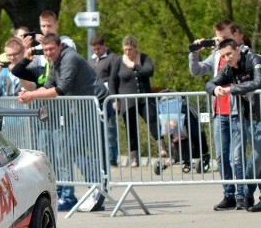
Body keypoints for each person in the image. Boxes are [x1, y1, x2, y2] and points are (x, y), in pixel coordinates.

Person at [18, 34, 109, 212]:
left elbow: (61, 89)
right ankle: (96, 186)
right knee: (75, 148)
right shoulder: (55, 62)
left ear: (60, 46)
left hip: (97, 105)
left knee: (94, 148)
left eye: (51, 48)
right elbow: (50, 83)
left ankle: (99, 187)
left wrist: (33, 96)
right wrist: (27, 96)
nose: (49, 52)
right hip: (84, 108)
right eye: (45, 50)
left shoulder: (69, 58)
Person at [205, 39, 261, 213]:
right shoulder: (228, 67)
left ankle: (246, 192)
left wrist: (232, 88)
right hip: (249, 117)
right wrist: (214, 89)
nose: (227, 58)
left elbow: (257, 83)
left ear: (238, 49)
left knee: (255, 157)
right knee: (259, 158)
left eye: (230, 54)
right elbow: (210, 83)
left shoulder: (254, 60)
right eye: (224, 56)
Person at [189, 20, 247, 210]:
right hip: (219, 111)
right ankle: (228, 194)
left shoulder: (243, 52)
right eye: (218, 36)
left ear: (235, 35)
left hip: (238, 111)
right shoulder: (215, 55)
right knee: (222, 157)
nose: (220, 40)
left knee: (236, 156)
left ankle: (242, 194)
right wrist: (194, 53)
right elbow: (196, 71)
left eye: (224, 36)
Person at [109, 35, 162, 167]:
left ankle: (161, 146)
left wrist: (134, 66)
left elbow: (149, 71)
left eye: (130, 49)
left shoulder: (143, 58)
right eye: (126, 49)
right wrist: (114, 99)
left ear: (136, 49)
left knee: (152, 118)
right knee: (130, 127)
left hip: (144, 97)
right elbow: (112, 81)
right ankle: (134, 157)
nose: (128, 52)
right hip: (127, 99)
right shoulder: (118, 61)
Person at [90, 35, 120, 167]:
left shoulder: (112, 58)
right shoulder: (91, 61)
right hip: (95, 98)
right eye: (94, 49)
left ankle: (112, 158)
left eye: (98, 49)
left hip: (108, 98)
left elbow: (115, 79)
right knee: (96, 130)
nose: (96, 51)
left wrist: (114, 98)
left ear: (104, 45)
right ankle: (100, 157)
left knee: (110, 129)